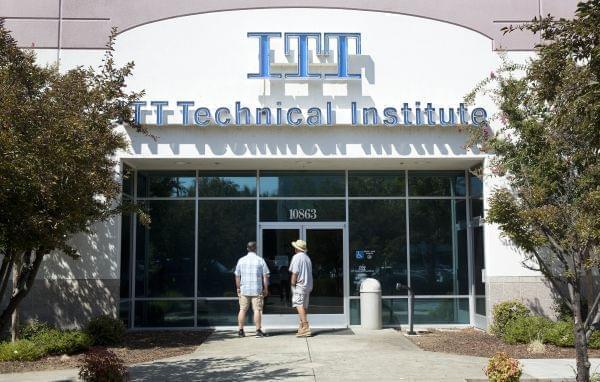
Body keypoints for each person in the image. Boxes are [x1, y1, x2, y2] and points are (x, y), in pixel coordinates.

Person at [234, 241, 269, 338]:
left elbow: (237, 275)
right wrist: (266, 288)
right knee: (257, 310)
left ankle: (240, 331)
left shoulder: (241, 260)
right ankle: (258, 330)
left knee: (242, 309)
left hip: (244, 289)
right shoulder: (260, 260)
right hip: (256, 289)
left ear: (247, 248)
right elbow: (265, 276)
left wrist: (238, 288)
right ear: (255, 248)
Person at [289, 239, 313, 337]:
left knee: (298, 304)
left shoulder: (296, 257)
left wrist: (292, 284)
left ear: (297, 248)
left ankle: (306, 327)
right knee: (303, 306)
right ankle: (302, 327)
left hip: (300, 285)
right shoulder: (307, 258)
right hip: (308, 285)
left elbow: (295, 272)